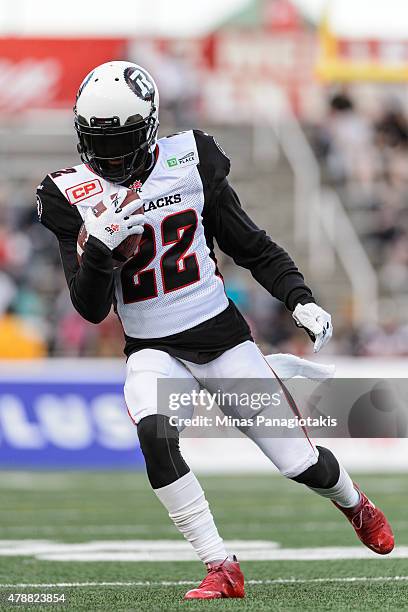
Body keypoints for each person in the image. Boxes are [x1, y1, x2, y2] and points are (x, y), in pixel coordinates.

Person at [37, 62, 394, 601]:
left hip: (221, 337)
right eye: (99, 142)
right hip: (151, 347)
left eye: (122, 142)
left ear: (151, 127)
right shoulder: (70, 193)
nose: (109, 157)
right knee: (155, 438)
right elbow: (89, 310)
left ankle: (353, 501)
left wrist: (299, 297)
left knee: (303, 464)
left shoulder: (190, 160)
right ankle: (220, 566)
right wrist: (101, 254)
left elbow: (250, 244)